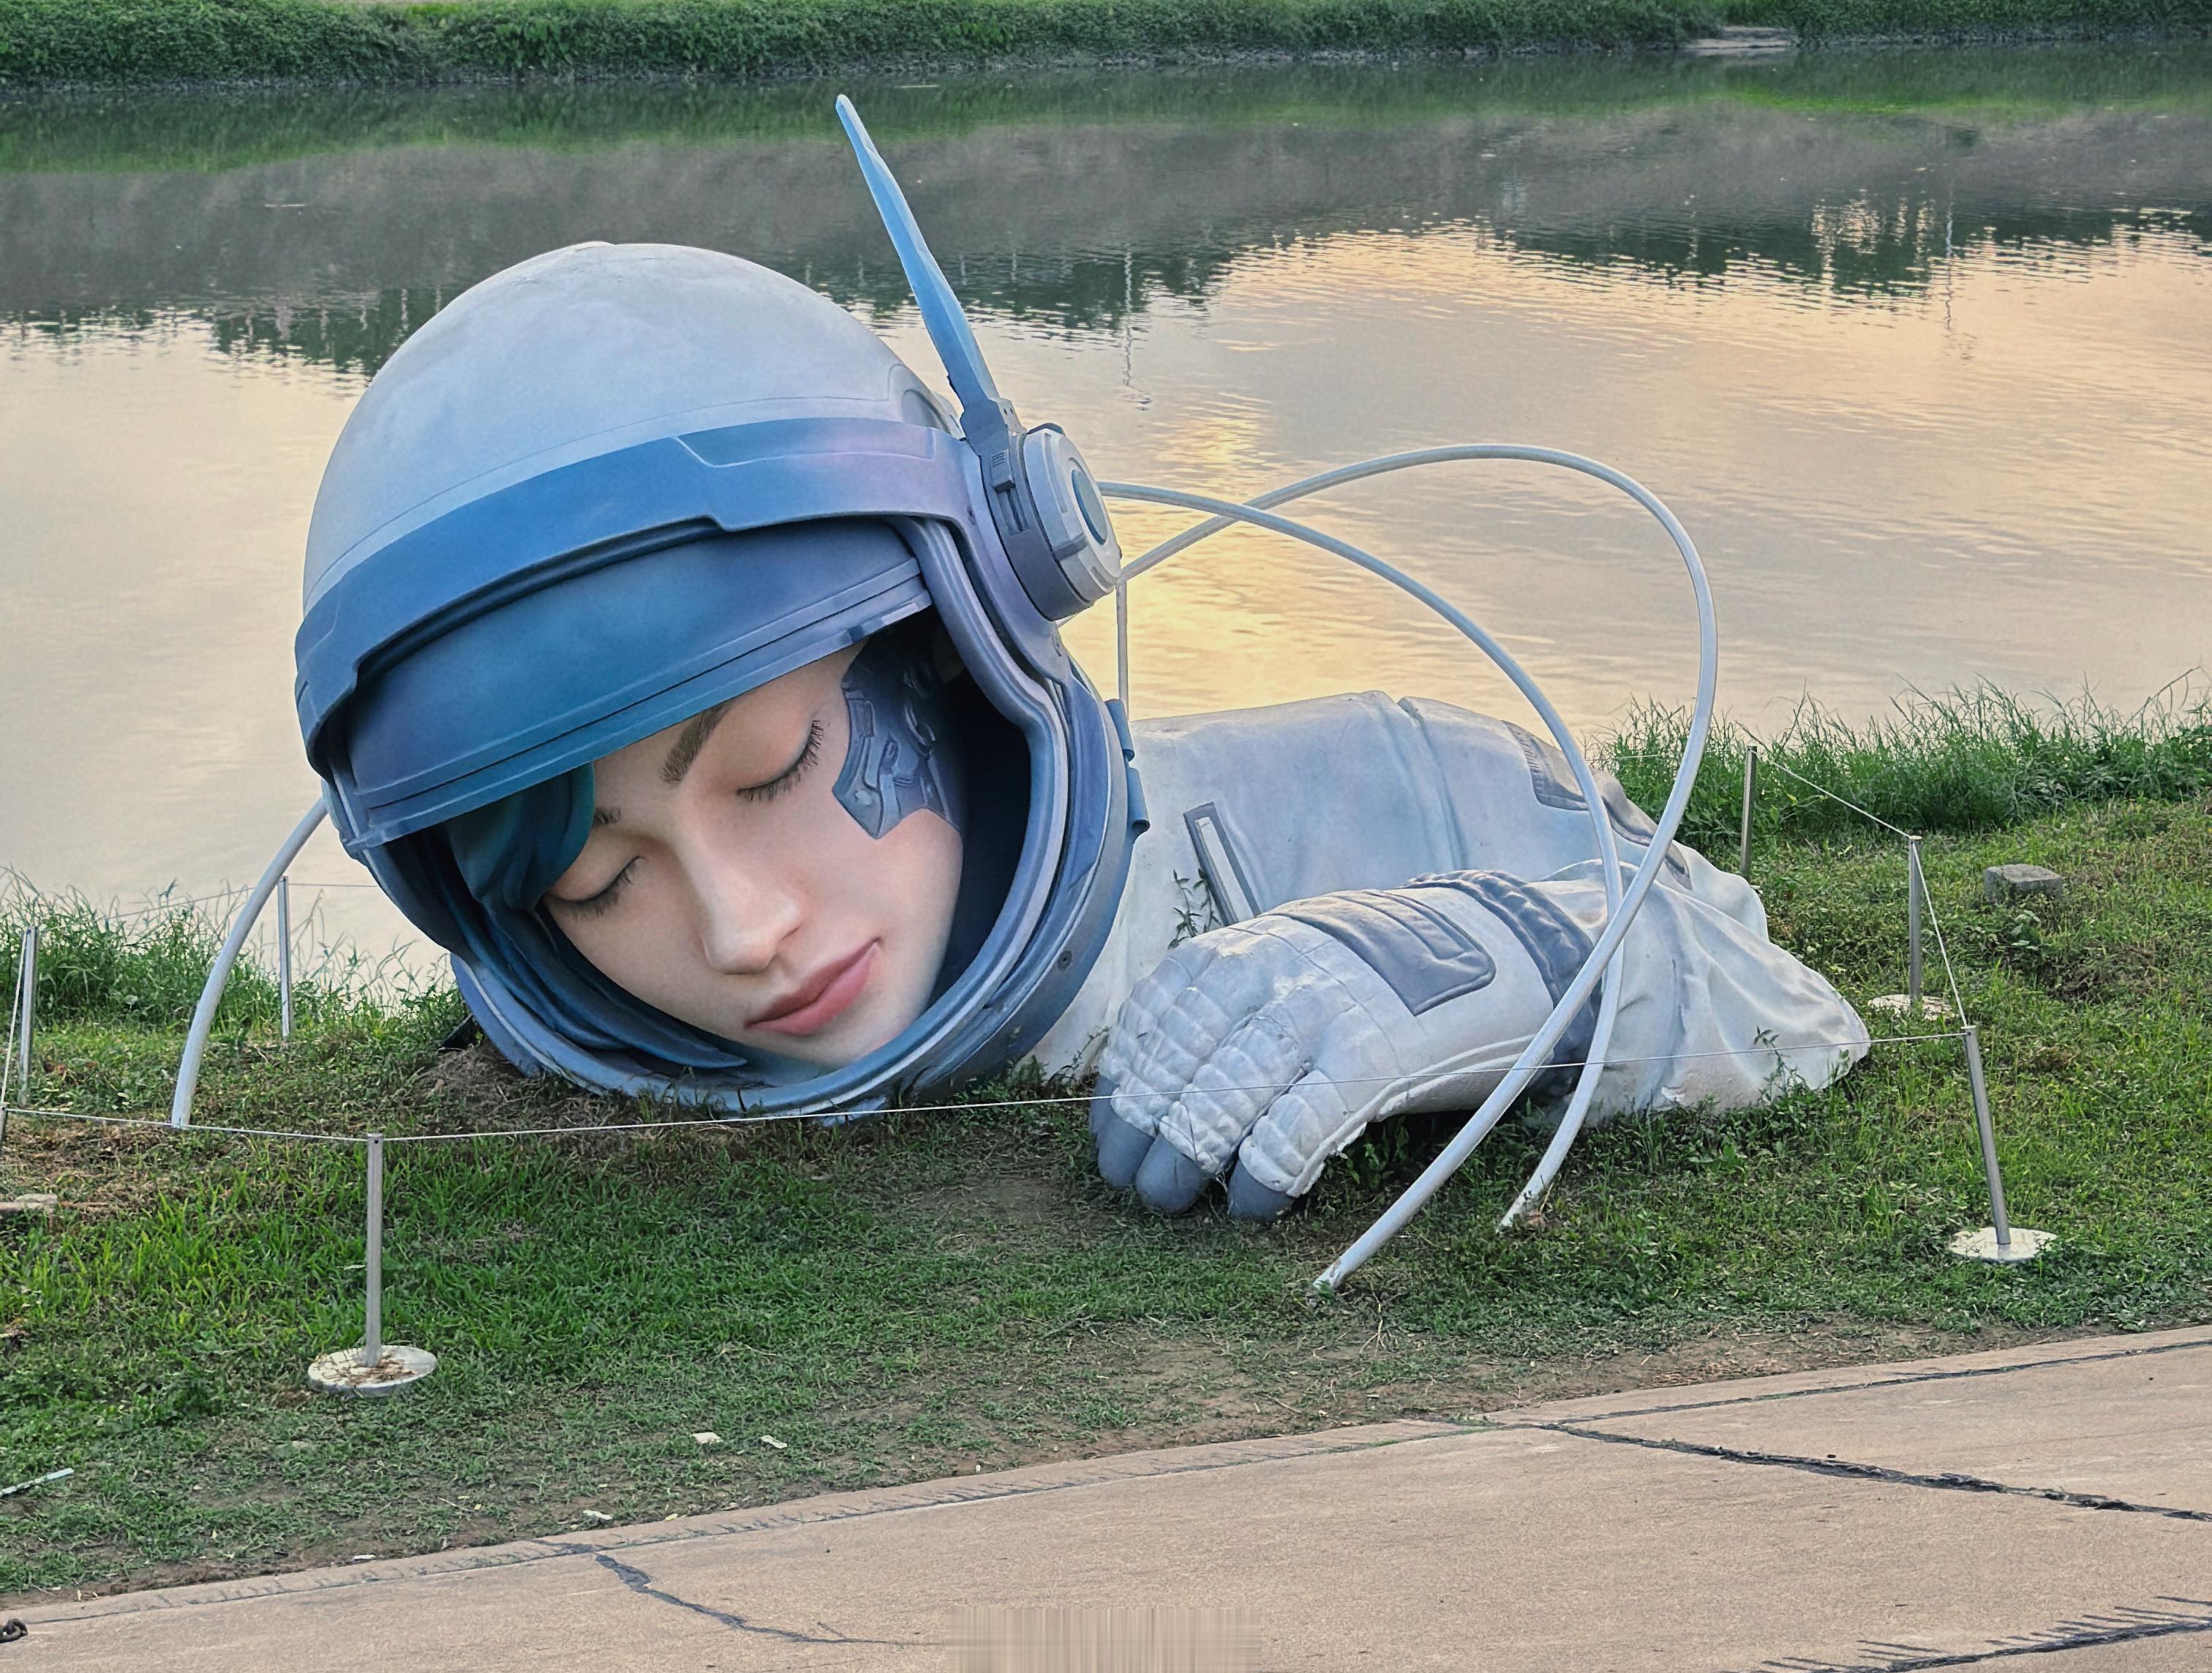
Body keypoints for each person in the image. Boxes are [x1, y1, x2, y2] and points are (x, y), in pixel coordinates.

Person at [295, 105, 1865, 1227]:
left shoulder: (1393, 777)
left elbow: (1782, 1002)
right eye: (597, 884)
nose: (745, 929)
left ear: (967, 622)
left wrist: (1445, 971)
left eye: (771, 765)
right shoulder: (555, 1071)